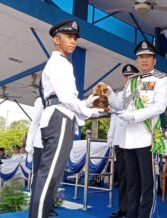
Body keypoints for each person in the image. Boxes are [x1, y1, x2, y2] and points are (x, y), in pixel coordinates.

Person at [29, 20, 102, 218]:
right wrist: (91, 110)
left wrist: (94, 103)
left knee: (52, 173)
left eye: (75, 38)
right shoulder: (59, 62)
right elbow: (67, 99)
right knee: (49, 173)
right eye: (69, 36)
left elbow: (70, 100)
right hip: (59, 117)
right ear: (56, 39)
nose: (73, 41)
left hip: (62, 115)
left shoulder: (62, 62)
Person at [107, 41, 167, 218]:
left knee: (146, 183)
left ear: (154, 60)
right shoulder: (131, 82)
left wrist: (133, 116)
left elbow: (159, 107)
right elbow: (121, 105)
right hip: (127, 140)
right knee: (131, 183)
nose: (144, 60)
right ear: (136, 60)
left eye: (148, 57)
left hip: (146, 138)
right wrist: (110, 94)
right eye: (141, 57)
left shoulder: (161, 79)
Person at [107, 64, 139, 218]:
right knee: (123, 177)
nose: (127, 79)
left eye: (131, 76)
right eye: (126, 76)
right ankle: (123, 208)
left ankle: (134, 209)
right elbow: (113, 117)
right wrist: (110, 137)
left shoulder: (140, 94)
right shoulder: (118, 95)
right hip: (120, 141)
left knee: (134, 177)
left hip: (134, 141)